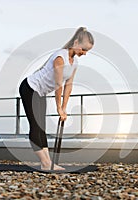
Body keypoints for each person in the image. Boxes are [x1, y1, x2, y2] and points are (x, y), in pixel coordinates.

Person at [19, 27, 94, 170]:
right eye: (83, 49)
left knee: (42, 126)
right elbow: (59, 85)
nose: (84, 54)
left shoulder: (74, 63)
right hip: (30, 88)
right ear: (76, 42)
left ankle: (46, 163)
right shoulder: (60, 58)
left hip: (40, 92)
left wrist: (64, 108)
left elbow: (68, 86)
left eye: (87, 51)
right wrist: (59, 108)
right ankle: (46, 163)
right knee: (35, 125)